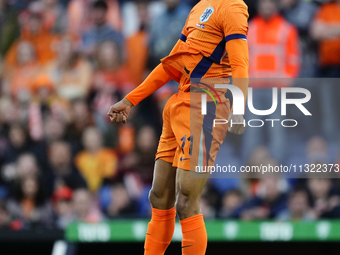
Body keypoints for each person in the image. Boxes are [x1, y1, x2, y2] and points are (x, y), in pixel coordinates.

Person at [108, 0, 249, 253]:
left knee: (186, 200)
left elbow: (240, 64)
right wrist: (131, 99)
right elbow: (171, 64)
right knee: (159, 197)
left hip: (206, 104)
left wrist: (238, 109)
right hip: (178, 104)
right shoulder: (199, 7)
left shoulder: (232, 8)